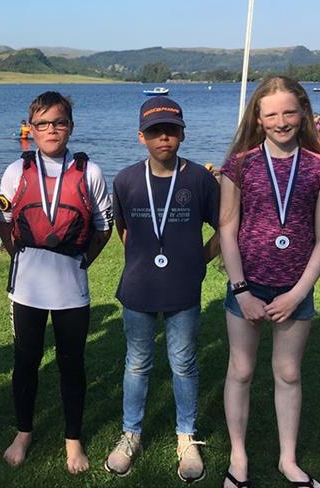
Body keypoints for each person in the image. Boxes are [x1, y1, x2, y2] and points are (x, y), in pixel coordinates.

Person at [219, 77, 320, 488]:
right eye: (271, 114)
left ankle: (288, 460)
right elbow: (227, 230)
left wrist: (298, 293)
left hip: (294, 291)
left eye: (289, 112)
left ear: (303, 112)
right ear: (258, 117)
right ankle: (239, 457)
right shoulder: (239, 164)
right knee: (241, 370)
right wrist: (241, 290)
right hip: (246, 288)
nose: (281, 121)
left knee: (287, 374)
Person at [0, 91, 114, 474]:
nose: (51, 130)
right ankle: (24, 431)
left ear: (70, 127)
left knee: (71, 365)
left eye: (59, 122)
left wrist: (84, 260)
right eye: (43, 123)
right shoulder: (16, 171)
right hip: (27, 289)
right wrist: (17, 254)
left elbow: (103, 227)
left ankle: (73, 439)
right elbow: (3, 220)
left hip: (71, 290)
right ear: (31, 128)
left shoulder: (90, 172)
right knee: (25, 363)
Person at [105, 96, 220, 481]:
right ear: (142, 137)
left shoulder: (200, 180)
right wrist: (144, 258)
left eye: (172, 130)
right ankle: (131, 434)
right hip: (138, 288)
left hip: (183, 289)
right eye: (155, 132)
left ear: (183, 135)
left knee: (183, 363)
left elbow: (224, 229)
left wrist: (195, 259)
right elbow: (125, 231)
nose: (164, 138)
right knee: (137, 362)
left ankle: (186, 438)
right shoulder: (125, 180)